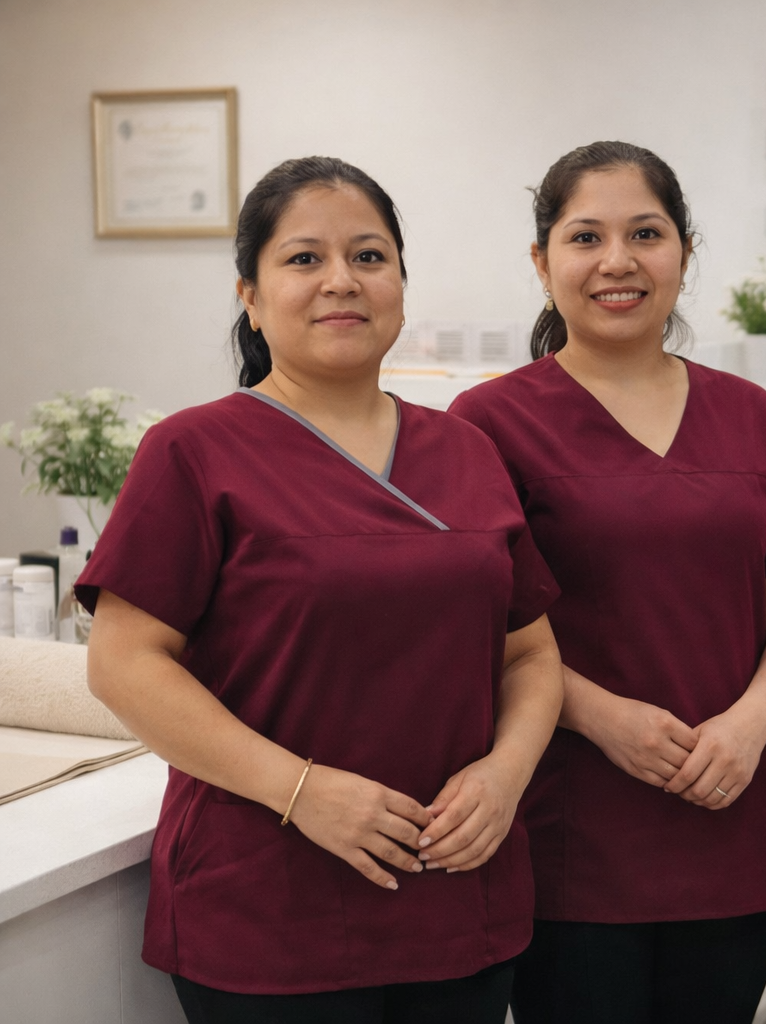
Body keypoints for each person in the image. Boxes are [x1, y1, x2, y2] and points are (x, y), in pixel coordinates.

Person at [78, 157, 564, 1023]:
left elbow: (528, 653)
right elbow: (124, 664)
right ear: (252, 297)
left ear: (402, 287)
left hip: (454, 888)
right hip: (269, 906)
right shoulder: (193, 452)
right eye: (304, 259)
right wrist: (301, 790)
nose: (342, 280)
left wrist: (505, 775)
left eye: (370, 257)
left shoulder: (465, 451)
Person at [448, 141, 766, 1024]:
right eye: (586, 237)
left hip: (731, 815)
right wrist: (602, 717)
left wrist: (748, 727)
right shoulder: (487, 423)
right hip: (572, 827)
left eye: (646, 234)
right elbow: (484, 630)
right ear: (544, 262)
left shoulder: (752, 414)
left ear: (685, 255)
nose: (617, 262)